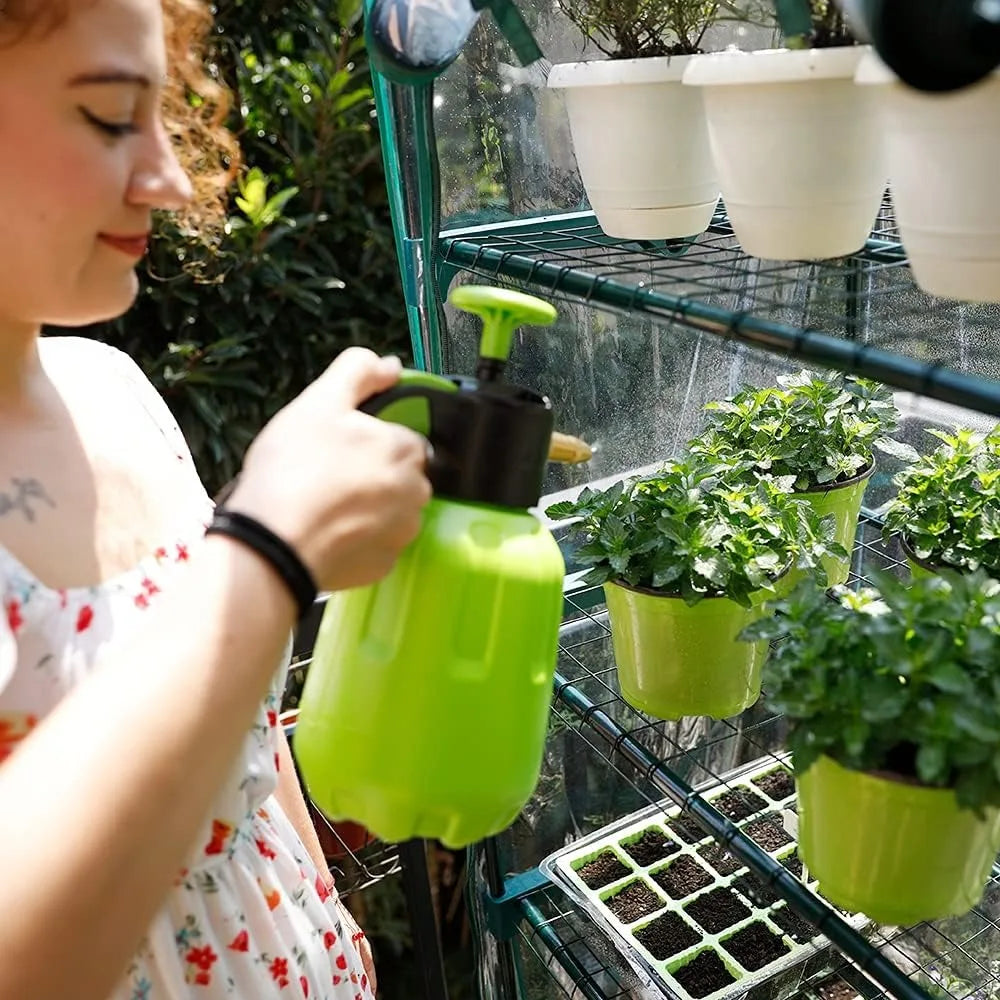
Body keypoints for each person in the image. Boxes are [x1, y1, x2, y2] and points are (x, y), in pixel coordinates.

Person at [0, 0, 432, 998]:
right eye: (112, 115)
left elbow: (250, 748)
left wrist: (331, 923)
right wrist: (272, 552)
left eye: (163, 111)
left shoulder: (111, 387)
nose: (174, 177)